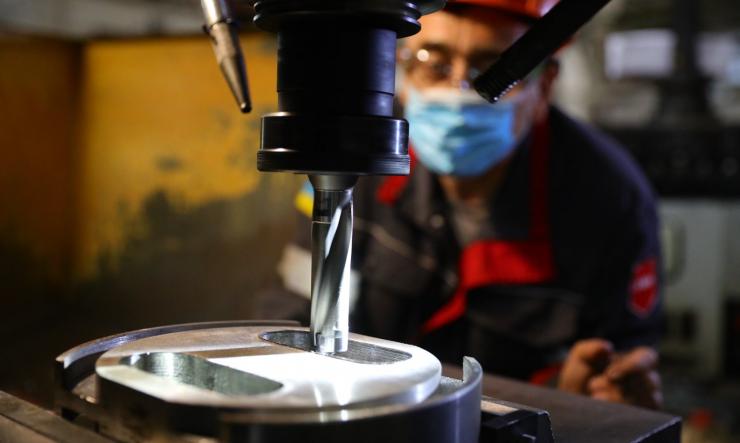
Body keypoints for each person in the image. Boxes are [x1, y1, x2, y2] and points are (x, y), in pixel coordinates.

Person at [259, 0, 663, 409]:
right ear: (400, 70)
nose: (458, 91)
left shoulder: (610, 199)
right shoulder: (352, 155)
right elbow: (294, 306)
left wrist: (588, 393)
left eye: (493, 71)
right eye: (434, 63)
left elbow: (618, 363)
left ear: (544, 85)